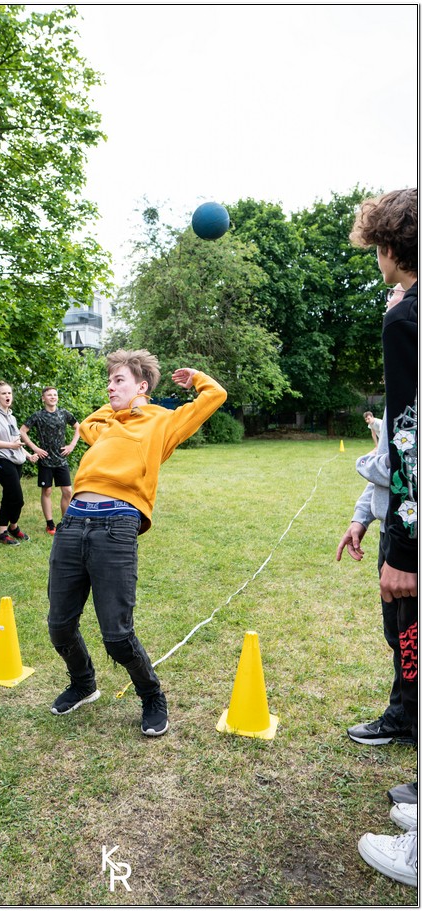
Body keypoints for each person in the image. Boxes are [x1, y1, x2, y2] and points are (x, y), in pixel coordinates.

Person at [46, 349, 227, 737]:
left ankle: (151, 695)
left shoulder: (163, 422)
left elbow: (215, 396)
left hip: (116, 524)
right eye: (109, 381)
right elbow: (89, 423)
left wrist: (195, 377)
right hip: (73, 522)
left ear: (142, 386)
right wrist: (119, 406)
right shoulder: (108, 425)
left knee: (117, 636)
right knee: (59, 626)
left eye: (119, 381)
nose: (110, 388)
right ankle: (83, 683)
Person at [349, 188, 418, 887]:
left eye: (376, 246)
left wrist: (403, 551)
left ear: (393, 245)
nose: (375, 258)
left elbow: (409, 440)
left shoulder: (407, 319)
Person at [336, 285, 414, 747]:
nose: (391, 299)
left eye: (399, 292)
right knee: (399, 635)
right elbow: (390, 469)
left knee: (412, 638)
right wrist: (360, 519)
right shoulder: (402, 378)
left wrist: (367, 463)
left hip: (410, 536)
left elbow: (400, 467)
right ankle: (404, 716)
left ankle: (409, 721)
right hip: (393, 529)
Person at [0, 381, 38, 545]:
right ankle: (11, 528)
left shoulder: (11, 417)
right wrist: (10, 446)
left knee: (8, 496)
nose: (7, 396)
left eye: (9, 393)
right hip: (1, 460)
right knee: (17, 498)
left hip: (16, 461)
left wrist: (28, 456)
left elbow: (16, 442)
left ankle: (6, 531)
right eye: (4, 393)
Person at [19, 387, 80, 535]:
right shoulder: (38, 415)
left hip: (61, 459)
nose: (53, 397)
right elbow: (22, 431)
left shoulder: (64, 413)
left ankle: (65, 522)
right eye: (49, 395)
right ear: (43, 398)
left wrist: (71, 445)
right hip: (45, 459)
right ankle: (50, 524)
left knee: (68, 491)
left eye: (55, 395)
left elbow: (79, 427)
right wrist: (35, 448)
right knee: (47, 490)